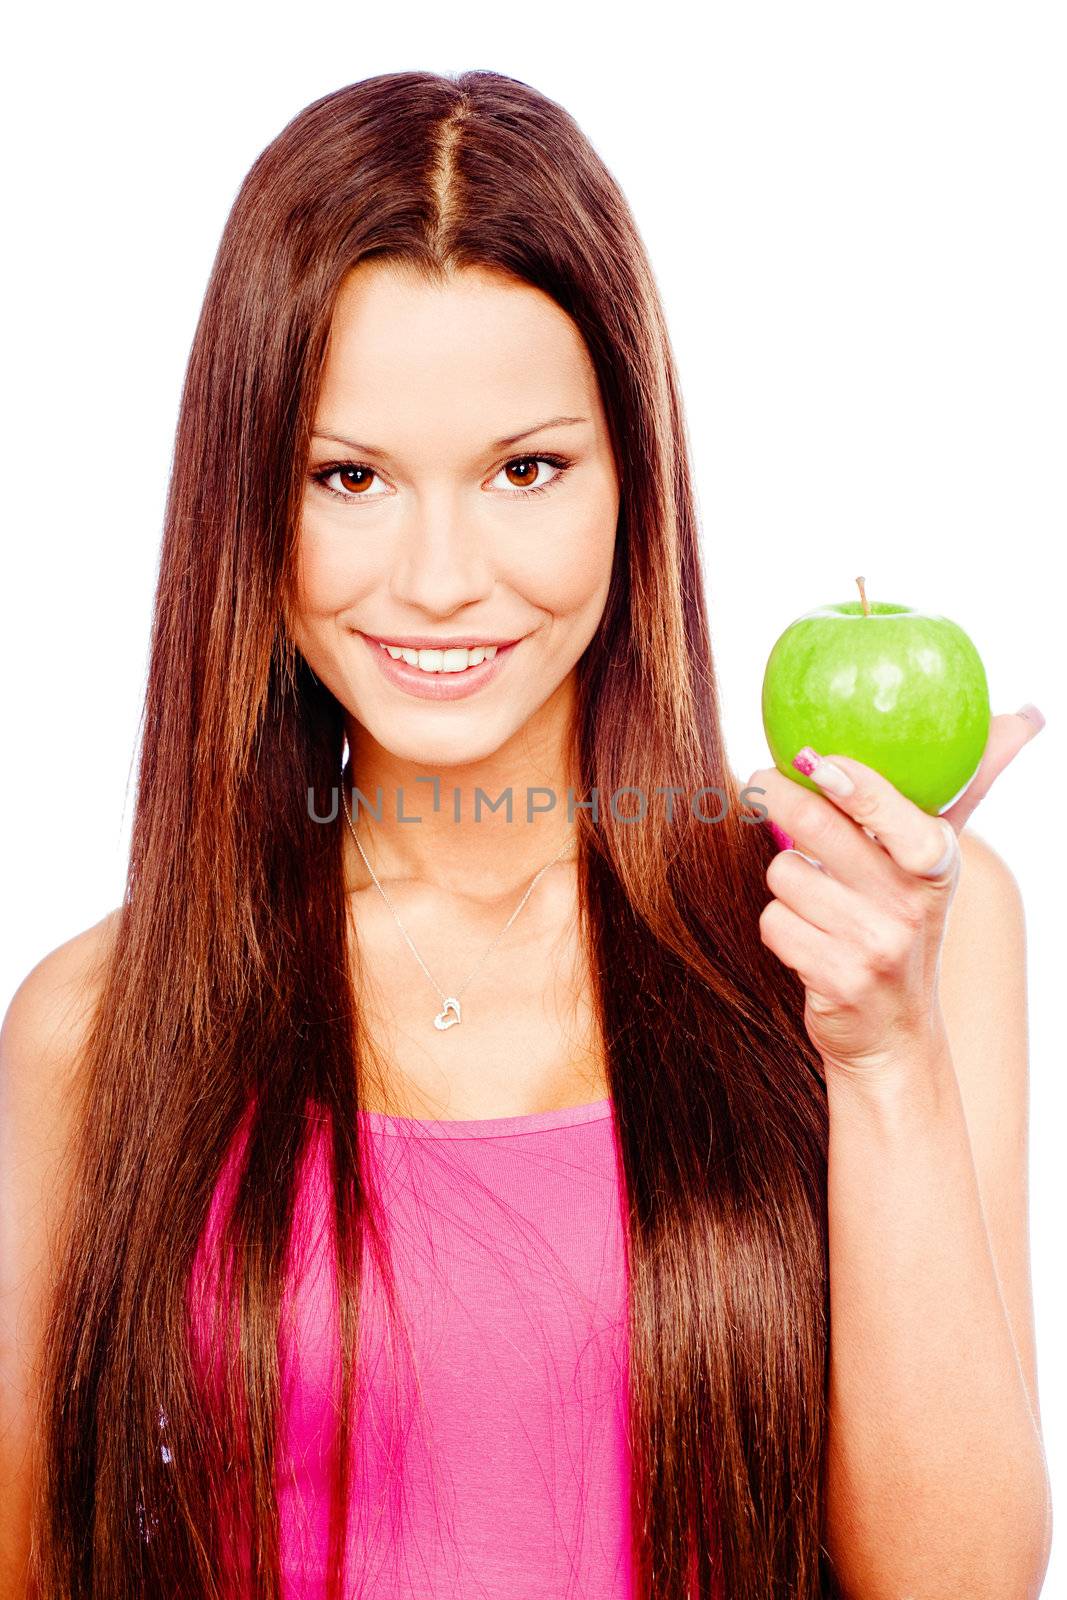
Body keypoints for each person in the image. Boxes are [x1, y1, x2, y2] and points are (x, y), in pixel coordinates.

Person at [0, 69, 1051, 1600]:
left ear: (636, 482)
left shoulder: (871, 936)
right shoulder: (91, 1030)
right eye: (348, 478)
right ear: (250, 504)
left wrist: (883, 1056)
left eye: (526, 470)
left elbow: (961, 1584)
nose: (439, 578)